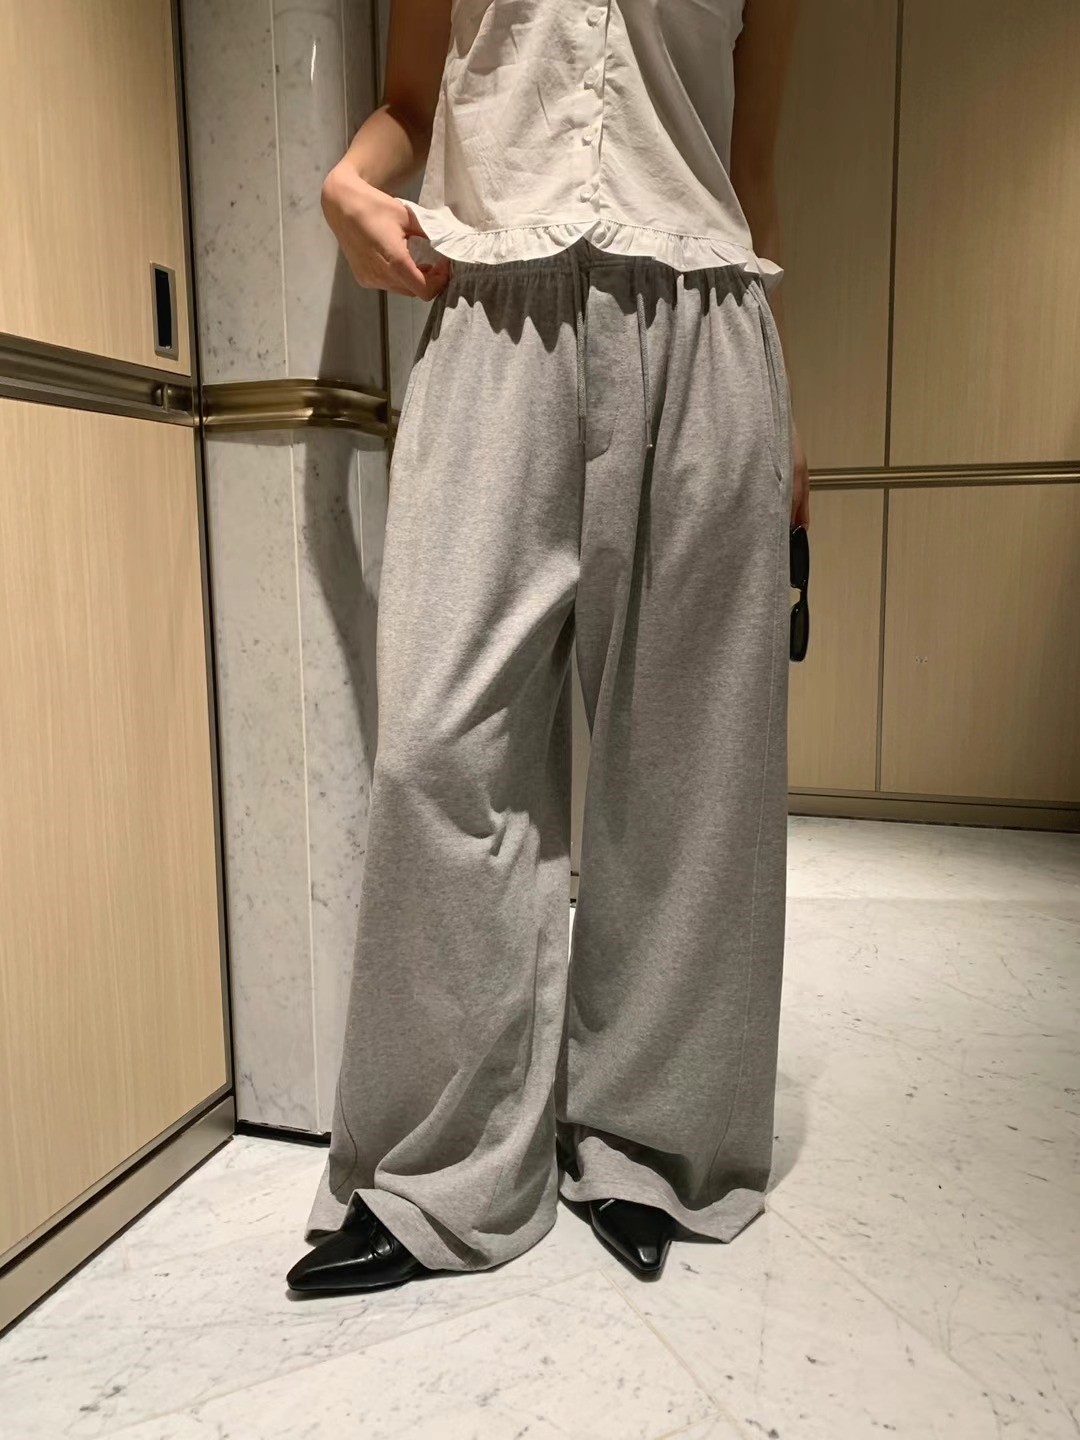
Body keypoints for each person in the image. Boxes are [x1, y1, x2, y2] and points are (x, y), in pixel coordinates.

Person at [288, 0, 807, 1293]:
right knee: (435, 749)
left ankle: (648, 1138)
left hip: (704, 319)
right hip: (490, 316)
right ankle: (441, 1163)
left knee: (689, 769)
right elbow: (413, 104)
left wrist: (790, 414)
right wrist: (347, 182)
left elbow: (749, 167)